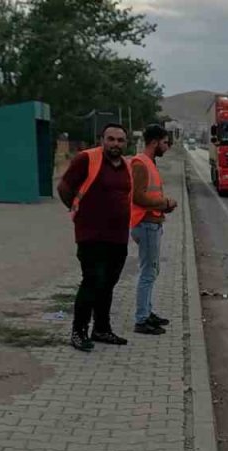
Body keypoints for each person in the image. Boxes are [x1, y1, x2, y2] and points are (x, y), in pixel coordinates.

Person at [57, 123, 134, 352]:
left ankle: (101, 329)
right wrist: (77, 210)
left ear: (125, 143)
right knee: (92, 281)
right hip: (91, 234)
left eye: (120, 140)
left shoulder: (127, 166)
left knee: (108, 284)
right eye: (111, 139)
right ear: (102, 140)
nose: (115, 144)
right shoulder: (86, 159)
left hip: (118, 236)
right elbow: (63, 187)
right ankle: (78, 332)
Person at [129, 124, 178, 336]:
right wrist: (165, 203)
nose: (167, 147)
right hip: (146, 224)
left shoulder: (149, 162)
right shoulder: (140, 163)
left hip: (152, 223)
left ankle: (147, 312)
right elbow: (138, 197)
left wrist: (163, 206)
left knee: (152, 270)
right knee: (148, 272)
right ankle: (141, 320)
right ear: (155, 142)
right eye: (165, 142)